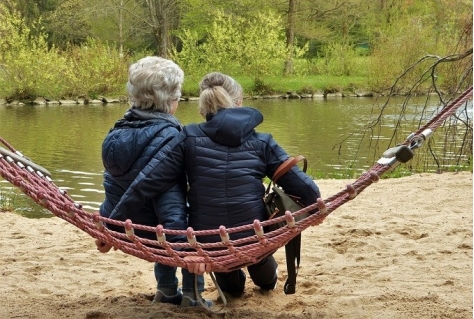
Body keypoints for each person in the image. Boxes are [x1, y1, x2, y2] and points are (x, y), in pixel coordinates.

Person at [107, 72, 321, 298]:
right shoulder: (262, 141)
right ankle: (264, 274)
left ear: (203, 107)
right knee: (262, 265)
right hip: (254, 236)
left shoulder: (187, 137)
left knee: (232, 288)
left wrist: (112, 225)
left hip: (209, 244)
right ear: (239, 103)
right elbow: (305, 188)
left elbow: (148, 182)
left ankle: (235, 277)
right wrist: (316, 208)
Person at [94, 56, 207, 308]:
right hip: (158, 231)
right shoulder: (171, 137)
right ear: (171, 100)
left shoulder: (115, 132)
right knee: (194, 219)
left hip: (127, 225)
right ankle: (193, 295)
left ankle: (166, 290)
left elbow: (114, 186)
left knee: (163, 220)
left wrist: (106, 224)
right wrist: (185, 251)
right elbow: (171, 202)